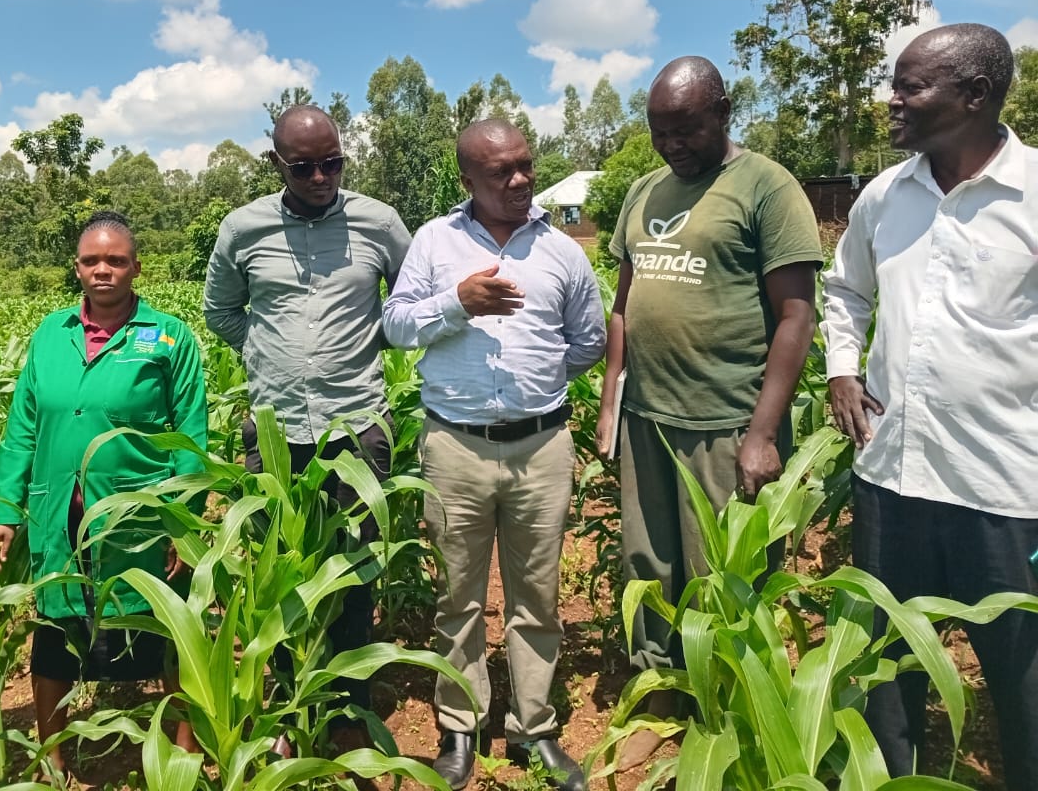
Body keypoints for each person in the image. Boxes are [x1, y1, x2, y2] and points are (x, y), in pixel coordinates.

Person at [821, 23, 1037, 790]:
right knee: (889, 674)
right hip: (893, 477)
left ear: (974, 95)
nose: (893, 101)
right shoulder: (887, 193)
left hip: (1007, 489)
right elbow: (844, 290)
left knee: (1023, 683)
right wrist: (841, 370)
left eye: (911, 86)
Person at [594, 57, 820, 770]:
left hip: (725, 421)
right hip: (649, 417)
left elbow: (795, 315)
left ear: (724, 111)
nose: (671, 144)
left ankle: (727, 707)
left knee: (723, 573)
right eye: (660, 130)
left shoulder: (765, 185)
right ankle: (660, 695)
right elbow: (624, 308)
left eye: (685, 127)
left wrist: (760, 434)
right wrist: (611, 398)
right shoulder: (642, 190)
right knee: (650, 561)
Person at [382, 119, 605, 791]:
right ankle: (460, 725)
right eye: (499, 172)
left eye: (525, 166)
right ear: (467, 181)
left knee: (537, 596)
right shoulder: (435, 242)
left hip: (541, 446)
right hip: (456, 445)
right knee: (460, 596)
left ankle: (533, 729)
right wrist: (457, 302)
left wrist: (534, 389)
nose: (519, 181)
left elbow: (587, 341)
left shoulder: (563, 251)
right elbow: (394, 324)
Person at [203, 105, 410, 755]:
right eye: (304, 166)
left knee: (353, 569)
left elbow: (406, 304)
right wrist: (271, 359)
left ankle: (349, 708)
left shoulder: (379, 222)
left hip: (358, 429)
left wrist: (356, 350)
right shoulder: (243, 228)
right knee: (281, 572)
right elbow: (221, 312)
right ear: (276, 164)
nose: (321, 176)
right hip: (274, 433)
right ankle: (291, 707)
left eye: (333, 162)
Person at [0, 211, 208, 779]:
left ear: (136, 267)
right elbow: (22, 428)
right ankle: (50, 758)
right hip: (60, 510)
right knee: (56, 634)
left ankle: (183, 753)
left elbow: (192, 436)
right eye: (91, 260)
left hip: (137, 513)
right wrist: (6, 512)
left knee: (162, 630)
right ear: (77, 268)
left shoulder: (170, 337)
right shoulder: (50, 333)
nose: (102, 270)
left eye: (116, 260)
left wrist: (180, 520)